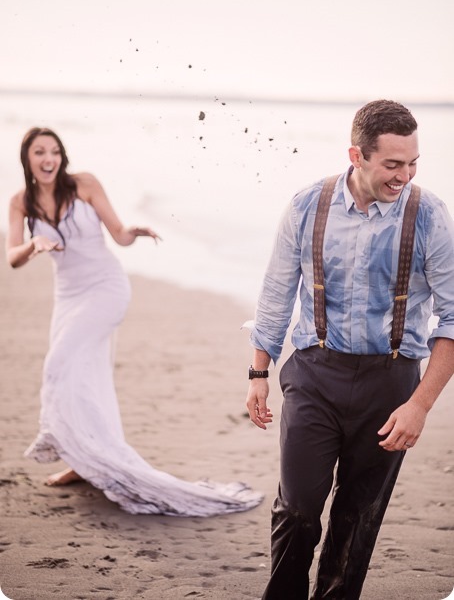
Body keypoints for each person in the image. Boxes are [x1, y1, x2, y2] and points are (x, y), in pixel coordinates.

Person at [245, 100, 454, 599]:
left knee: (357, 519)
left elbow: (453, 318)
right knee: (296, 509)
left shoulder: (430, 216)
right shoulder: (306, 206)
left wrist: (419, 405)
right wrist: (258, 372)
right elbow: (276, 293)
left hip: (392, 383)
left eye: (413, 163)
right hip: (315, 373)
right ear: (357, 155)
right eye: (393, 164)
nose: (405, 175)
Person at [7, 126, 262, 516]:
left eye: (54, 152)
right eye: (40, 152)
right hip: (68, 297)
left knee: (58, 365)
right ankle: (83, 459)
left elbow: (118, 234)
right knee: (88, 375)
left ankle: (76, 447)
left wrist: (134, 232)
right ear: (27, 158)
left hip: (105, 289)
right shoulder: (21, 201)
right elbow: (13, 257)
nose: (48, 159)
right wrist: (34, 243)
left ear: (62, 157)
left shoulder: (85, 184)